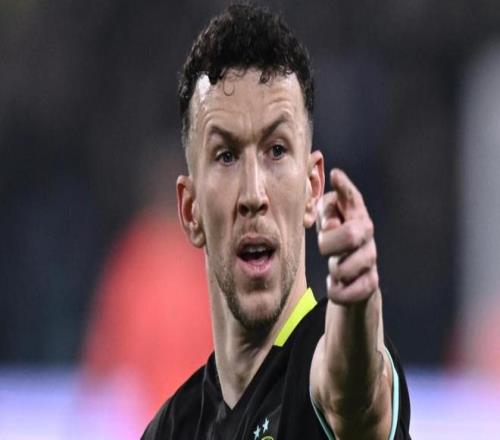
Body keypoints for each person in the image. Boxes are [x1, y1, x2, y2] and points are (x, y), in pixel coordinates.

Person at [142, 3, 411, 439]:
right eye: (226, 156)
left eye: (277, 151)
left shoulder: (320, 367)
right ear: (190, 210)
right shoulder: (173, 428)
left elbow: (354, 395)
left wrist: (359, 305)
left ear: (312, 187)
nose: (253, 194)